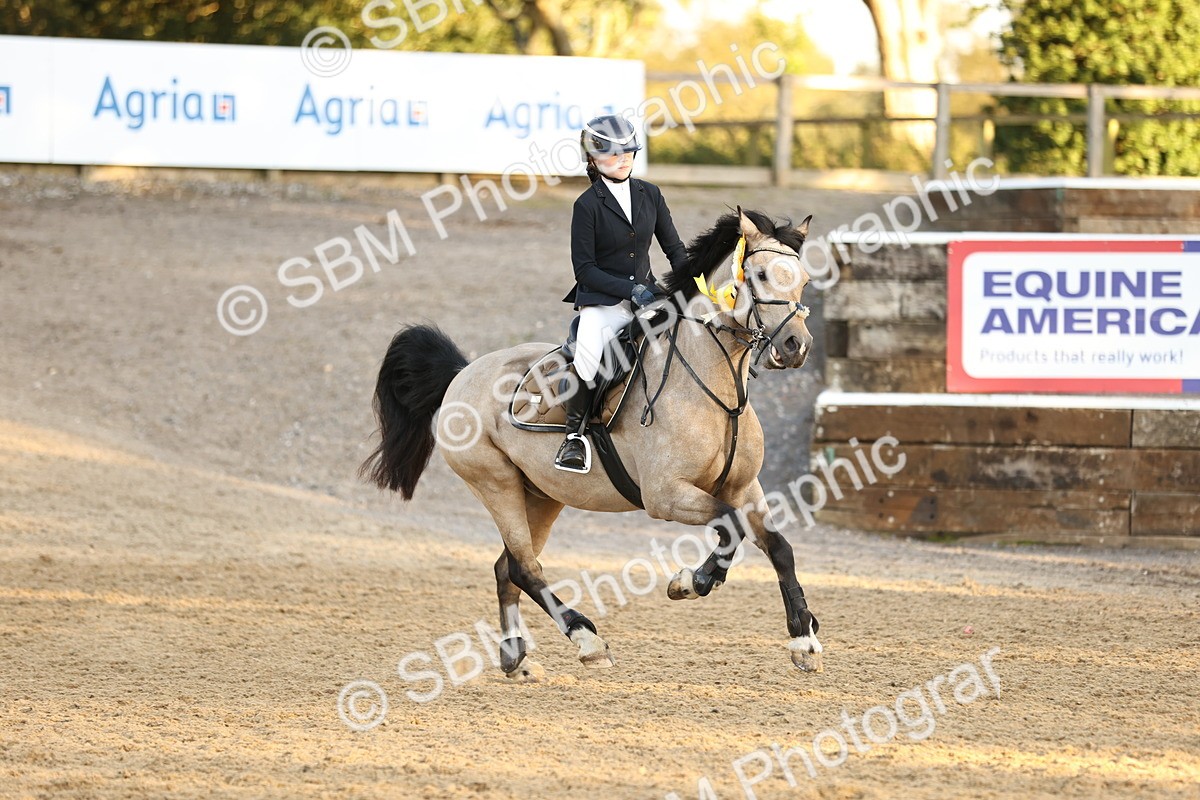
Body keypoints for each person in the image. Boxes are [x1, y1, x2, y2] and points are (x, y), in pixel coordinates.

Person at [555, 114, 689, 473]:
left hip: (649, 297)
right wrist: (631, 290)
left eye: (629, 152)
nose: (624, 159)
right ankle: (574, 437)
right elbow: (584, 270)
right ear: (594, 160)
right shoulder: (586, 206)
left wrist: (697, 285)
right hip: (604, 301)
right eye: (615, 155)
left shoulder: (651, 194)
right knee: (587, 358)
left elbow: (674, 249)